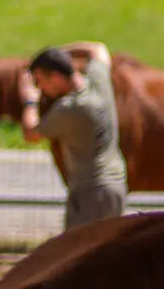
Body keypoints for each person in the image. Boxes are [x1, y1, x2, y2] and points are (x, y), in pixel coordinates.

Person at [19, 42, 125, 230]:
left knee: (78, 247)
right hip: (115, 187)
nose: (40, 88)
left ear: (55, 78)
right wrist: (57, 55)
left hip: (90, 193)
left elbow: (31, 133)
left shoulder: (71, 108)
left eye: (40, 81)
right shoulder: (98, 83)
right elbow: (98, 49)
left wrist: (30, 101)